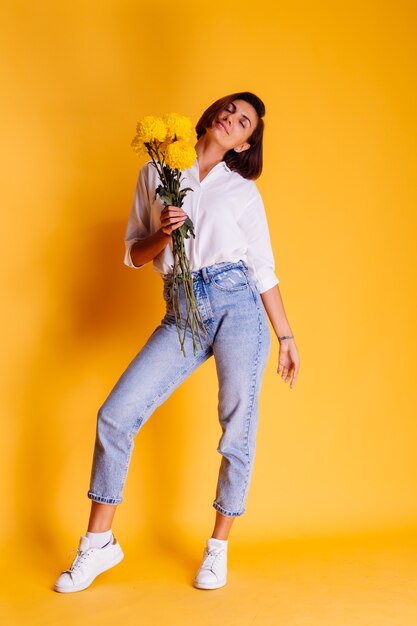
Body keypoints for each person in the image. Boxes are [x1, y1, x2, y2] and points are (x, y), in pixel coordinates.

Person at [53, 91, 300, 593]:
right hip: (181, 307)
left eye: (244, 121)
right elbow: (135, 254)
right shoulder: (157, 174)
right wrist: (164, 234)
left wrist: (285, 335)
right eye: (229, 110)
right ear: (212, 117)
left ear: (246, 141)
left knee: (237, 425)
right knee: (116, 414)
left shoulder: (243, 192)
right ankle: (99, 545)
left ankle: (217, 548)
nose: (233, 119)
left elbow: (263, 270)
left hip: (237, 304)